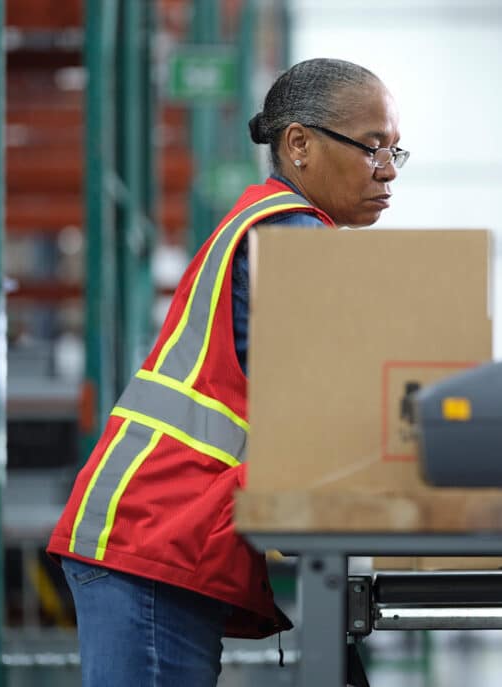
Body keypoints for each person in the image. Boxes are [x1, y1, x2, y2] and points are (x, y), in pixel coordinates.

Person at [47, 57, 409, 686]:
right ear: (298, 144)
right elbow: (363, 391)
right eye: (372, 147)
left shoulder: (272, 225)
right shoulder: (290, 235)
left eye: (396, 152)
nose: (386, 169)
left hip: (156, 536)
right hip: (156, 535)